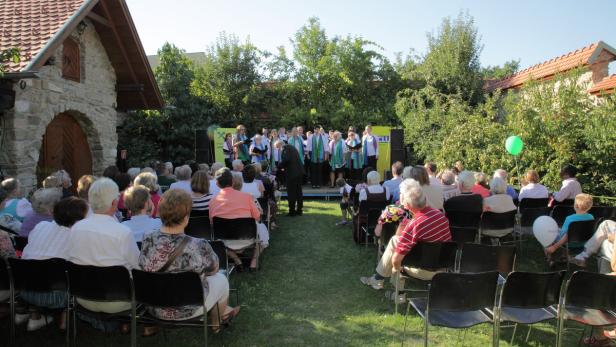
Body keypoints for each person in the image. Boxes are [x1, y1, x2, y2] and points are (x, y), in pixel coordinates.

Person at [139, 189, 239, 333]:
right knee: (221, 279)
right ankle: (216, 324)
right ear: (186, 217)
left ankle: (222, 314)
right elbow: (214, 269)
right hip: (189, 307)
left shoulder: (147, 239)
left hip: (155, 305)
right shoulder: (198, 244)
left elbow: (144, 267)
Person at [360, 179, 451, 290]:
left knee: (395, 245)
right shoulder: (441, 216)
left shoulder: (410, 223)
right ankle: (381, 282)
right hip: (442, 267)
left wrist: (395, 269)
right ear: (425, 199)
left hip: (420, 268)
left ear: (406, 204)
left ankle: (388, 286)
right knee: (399, 244)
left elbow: (395, 259)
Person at [67, 178, 140, 315]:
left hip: (83, 295)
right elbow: (137, 267)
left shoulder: (76, 228)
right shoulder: (122, 232)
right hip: (118, 300)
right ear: (114, 203)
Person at [20, 197, 89, 331]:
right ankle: (65, 319)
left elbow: (27, 255)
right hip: (57, 296)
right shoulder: (77, 235)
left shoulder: (41, 226)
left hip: (25, 290)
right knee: (79, 271)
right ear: (79, 218)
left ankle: (35, 317)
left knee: (38, 267)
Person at [209, 168, 261, 271]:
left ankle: (236, 258)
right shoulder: (247, 197)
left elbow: (212, 222)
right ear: (232, 182)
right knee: (261, 233)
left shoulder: (213, 201)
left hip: (223, 241)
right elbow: (257, 217)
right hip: (248, 238)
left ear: (217, 184)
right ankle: (253, 263)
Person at [276, 140, 304, 216]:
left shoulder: (285, 149)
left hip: (292, 174)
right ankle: (299, 210)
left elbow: (286, 160)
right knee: (298, 192)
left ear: (280, 144)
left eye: (278, 147)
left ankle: (292, 211)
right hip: (299, 172)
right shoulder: (292, 147)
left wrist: (278, 167)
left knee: (291, 193)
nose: (278, 149)